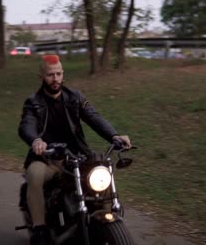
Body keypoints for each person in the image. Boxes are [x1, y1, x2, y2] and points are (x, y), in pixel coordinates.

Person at [18, 54, 131, 245]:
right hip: (49, 159)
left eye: (58, 74)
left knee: (101, 172)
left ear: (63, 74)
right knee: (34, 174)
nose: (55, 79)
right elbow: (26, 125)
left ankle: (105, 222)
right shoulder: (33, 102)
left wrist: (114, 135)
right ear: (41, 77)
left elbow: (94, 117)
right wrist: (36, 140)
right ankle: (39, 229)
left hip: (77, 158)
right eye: (50, 75)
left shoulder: (75, 98)